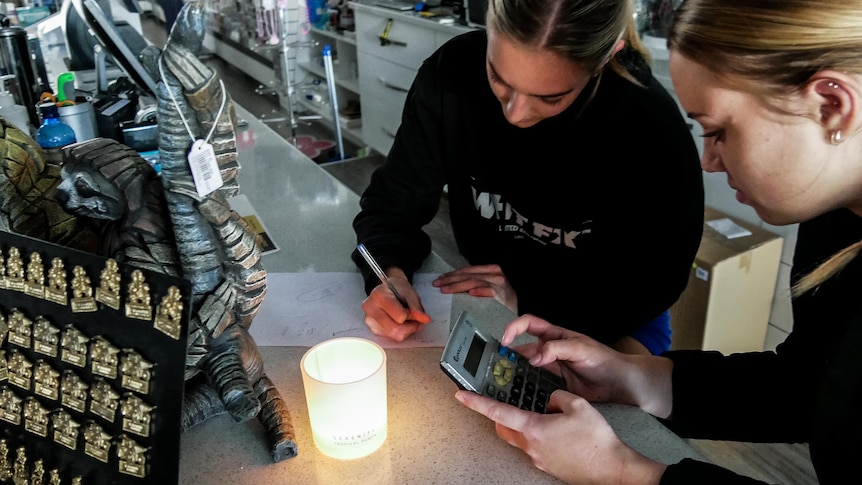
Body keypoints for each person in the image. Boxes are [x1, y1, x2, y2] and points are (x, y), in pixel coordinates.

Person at [454, 0, 862, 483]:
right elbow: (807, 386)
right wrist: (633, 377)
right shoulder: (836, 223)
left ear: (832, 104)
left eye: (720, 132)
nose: (709, 161)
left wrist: (625, 471)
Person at [351, 0, 704, 354]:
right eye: (497, 78)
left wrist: (528, 301)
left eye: (550, 98)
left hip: (612, 315)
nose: (515, 115)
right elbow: (393, 203)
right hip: (496, 300)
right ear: (488, 26)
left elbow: (653, 284)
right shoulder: (452, 73)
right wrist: (389, 275)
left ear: (604, 58)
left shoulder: (650, 128)